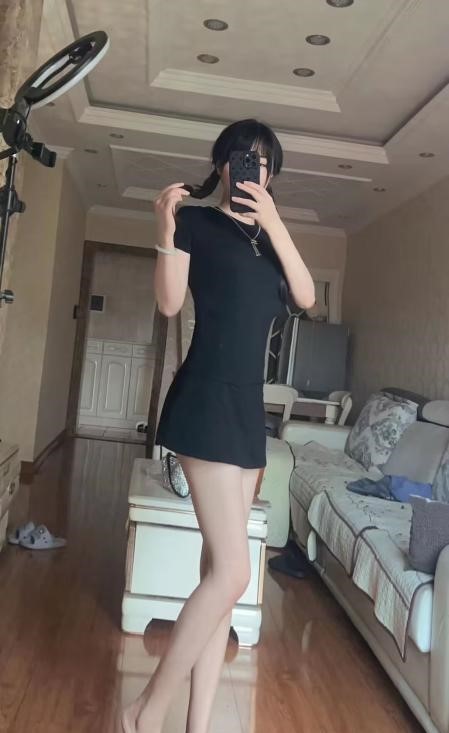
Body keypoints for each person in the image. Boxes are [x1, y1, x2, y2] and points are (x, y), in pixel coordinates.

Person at [122, 118, 315, 733]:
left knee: (219, 577)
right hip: (204, 399)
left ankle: (196, 725)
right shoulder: (198, 224)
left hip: (246, 412)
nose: (252, 167)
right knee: (235, 571)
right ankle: (144, 711)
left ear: (272, 173)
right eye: (241, 156)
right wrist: (163, 231)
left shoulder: (272, 241)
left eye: (263, 160)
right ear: (222, 164)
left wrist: (275, 222)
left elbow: (306, 296)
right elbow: (169, 303)